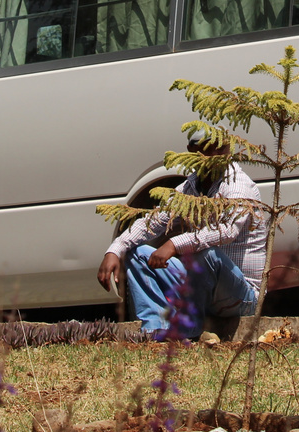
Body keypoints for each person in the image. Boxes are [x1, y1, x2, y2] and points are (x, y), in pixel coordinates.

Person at [97, 138, 265, 339]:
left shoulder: (238, 185)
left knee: (208, 256)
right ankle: (154, 330)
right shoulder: (190, 186)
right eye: (206, 149)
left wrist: (174, 244)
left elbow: (227, 231)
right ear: (191, 151)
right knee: (139, 255)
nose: (215, 155)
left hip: (240, 296)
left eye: (221, 148)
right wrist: (116, 248)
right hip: (201, 290)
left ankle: (190, 327)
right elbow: (154, 221)